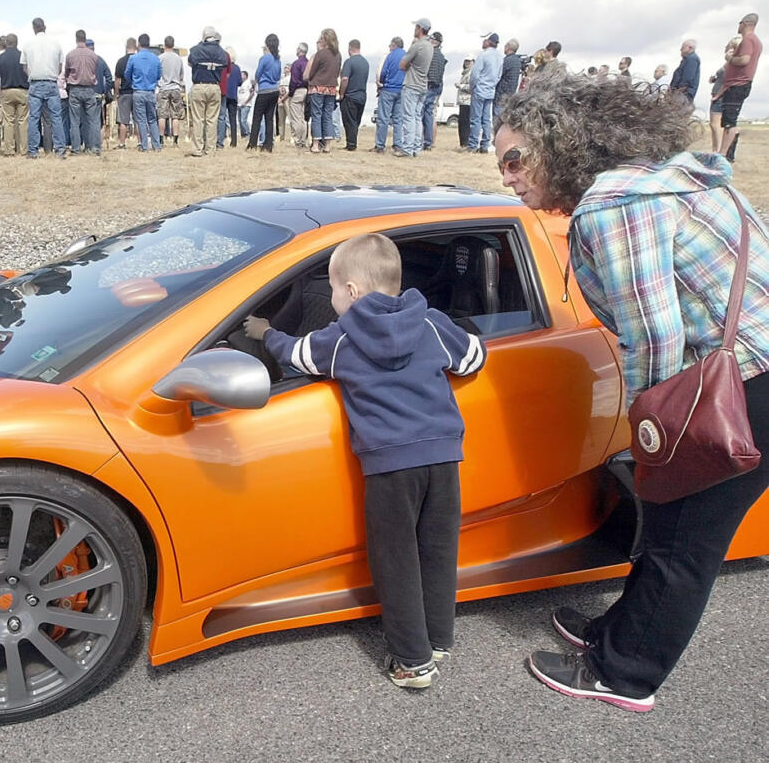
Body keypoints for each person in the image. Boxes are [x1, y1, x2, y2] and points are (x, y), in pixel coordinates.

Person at [496, 69, 769, 714]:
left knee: (682, 539)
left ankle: (626, 674)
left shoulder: (618, 203)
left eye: (513, 159)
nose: (505, 177)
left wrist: (653, 435)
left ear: (560, 141)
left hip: (743, 387)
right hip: (753, 370)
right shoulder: (678, 175)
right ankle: (617, 633)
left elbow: (653, 333)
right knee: (669, 522)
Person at [243, 232, 486, 689]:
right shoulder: (431, 322)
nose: (332, 298)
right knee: (436, 549)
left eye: (333, 289)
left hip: (390, 465)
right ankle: (436, 639)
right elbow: (473, 358)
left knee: (395, 557)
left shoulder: (341, 339)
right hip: (443, 457)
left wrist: (265, 332)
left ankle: (412, 662)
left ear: (351, 291)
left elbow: (296, 354)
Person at [714, 13, 760, 162]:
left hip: (738, 85)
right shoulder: (755, 41)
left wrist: (730, 59)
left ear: (745, 23)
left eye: (740, 23)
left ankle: (723, 153)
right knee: (728, 119)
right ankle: (724, 152)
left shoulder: (748, 40)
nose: (738, 26)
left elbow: (744, 60)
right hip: (737, 84)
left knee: (729, 122)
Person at [21, 17, 65, 159]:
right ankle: (59, 149)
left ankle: (33, 151)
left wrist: (32, 75)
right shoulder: (56, 44)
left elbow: (24, 67)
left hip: (35, 83)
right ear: (45, 27)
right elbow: (59, 66)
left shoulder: (28, 45)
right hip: (51, 82)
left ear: (34, 28)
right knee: (56, 117)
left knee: (34, 118)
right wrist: (53, 75)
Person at [186, 26, 228, 157]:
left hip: (199, 85)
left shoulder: (196, 50)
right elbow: (225, 65)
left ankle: (198, 149)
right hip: (215, 87)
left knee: (198, 119)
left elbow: (190, 62)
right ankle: (210, 149)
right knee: (212, 120)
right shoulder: (222, 52)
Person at [395, 19, 431, 157]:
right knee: (417, 117)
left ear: (419, 28)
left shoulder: (418, 45)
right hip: (422, 85)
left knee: (408, 117)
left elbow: (402, 64)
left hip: (412, 84)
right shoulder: (429, 46)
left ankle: (408, 148)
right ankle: (416, 147)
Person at [304, 29, 342, 154]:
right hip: (331, 88)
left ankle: (315, 144)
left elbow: (312, 72)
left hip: (317, 87)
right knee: (328, 116)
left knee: (317, 115)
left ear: (324, 39)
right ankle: (327, 145)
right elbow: (337, 72)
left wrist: (310, 79)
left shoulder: (321, 54)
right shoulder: (338, 55)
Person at [0, 33, 28, 157]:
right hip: (22, 91)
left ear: (6, 43)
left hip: (6, 90)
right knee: (23, 121)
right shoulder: (22, 56)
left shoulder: (0, 58)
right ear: (17, 42)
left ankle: (9, 150)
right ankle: (23, 149)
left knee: (8, 121)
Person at [64, 30, 100, 155]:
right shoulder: (93, 56)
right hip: (90, 89)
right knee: (93, 120)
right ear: (85, 39)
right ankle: (95, 147)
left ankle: (76, 148)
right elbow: (94, 71)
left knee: (74, 120)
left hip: (75, 89)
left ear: (76, 39)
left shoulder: (70, 55)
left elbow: (66, 73)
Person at [125, 33, 162, 152]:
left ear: (139, 44)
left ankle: (144, 145)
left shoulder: (133, 58)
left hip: (138, 91)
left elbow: (127, 74)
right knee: (152, 119)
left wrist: (135, 80)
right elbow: (158, 75)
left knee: (141, 120)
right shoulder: (156, 58)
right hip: (151, 91)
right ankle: (156, 145)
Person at [468, 32, 501, 153]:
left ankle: (473, 145)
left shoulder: (484, 55)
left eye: (485, 40)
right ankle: (485, 144)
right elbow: (498, 76)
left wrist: (473, 87)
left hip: (480, 89)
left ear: (489, 41)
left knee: (476, 119)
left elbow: (475, 74)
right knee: (486, 119)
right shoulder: (499, 57)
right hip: (490, 91)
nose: (483, 42)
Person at [247, 35, 281, 153]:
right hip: (274, 91)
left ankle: (252, 144)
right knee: (269, 118)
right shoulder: (278, 60)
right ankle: (268, 145)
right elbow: (277, 76)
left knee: (257, 117)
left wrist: (254, 84)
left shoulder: (264, 58)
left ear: (267, 44)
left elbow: (258, 73)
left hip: (264, 90)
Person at [372, 37, 404, 153]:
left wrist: (381, 83)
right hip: (401, 90)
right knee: (398, 119)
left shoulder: (389, 56)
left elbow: (383, 71)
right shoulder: (406, 55)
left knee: (383, 118)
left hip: (388, 89)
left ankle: (380, 145)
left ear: (394, 45)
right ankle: (398, 144)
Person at [707, 38, 739, 152]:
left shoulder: (732, 61)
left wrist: (718, 95)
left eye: (728, 46)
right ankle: (717, 151)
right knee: (715, 126)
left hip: (720, 96)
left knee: (716, 126)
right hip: (718, 93)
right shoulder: (727, 63)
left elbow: (729, 80)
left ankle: (718, 152)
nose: (725, 48)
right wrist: (714, 79)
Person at [338, 40, 368, 151]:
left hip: (350, 95)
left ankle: (351, 144)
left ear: (350, 48)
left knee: (349, 120)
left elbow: (345, 79)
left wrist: (341, 94)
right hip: (362, 95)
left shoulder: (349, 62)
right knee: (356, 121)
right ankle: (353, 142)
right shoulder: (366, 63)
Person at [157, 35, 185, 146]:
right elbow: (181, 75)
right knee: (175, 116)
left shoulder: (160, 58)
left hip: (163, 88)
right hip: (176, 88)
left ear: (164, 45)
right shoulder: (178, 59)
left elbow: (157, 74)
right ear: (173, 45)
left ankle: (161, 139)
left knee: (162, 115)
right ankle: (175, 140)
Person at [421, 32, 447, 151]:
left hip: (428, 85)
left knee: (421, 113)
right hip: (437, 86)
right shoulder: (441, 56)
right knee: (430, 114)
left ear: (434, 41)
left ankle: (422, 140)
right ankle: (428, 141)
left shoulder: (429, 53)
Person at [113, 38, 137, 148]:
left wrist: (116, 94)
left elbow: (117, 80)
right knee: (138, 120)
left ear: (126, 46)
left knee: (123, 120)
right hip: (137, 92)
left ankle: (122, 143)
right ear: (136, 47)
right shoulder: (138, 60)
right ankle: (140, 142)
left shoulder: (121, 61)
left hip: (125, 93)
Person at [217, 49, 242, 148]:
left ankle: (221, 139)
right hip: (233, 95)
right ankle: (234, 141)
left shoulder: (223, 67)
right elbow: (240, 82)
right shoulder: (237, 68)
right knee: (233, 119)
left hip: (223, 94)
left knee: (221, 117)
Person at [287, 42, 309, 148]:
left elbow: (294, 80)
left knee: (296, 117)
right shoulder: (309, 63)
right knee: (304, 117)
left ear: (300, 50)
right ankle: (304, 140)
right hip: (308, 90)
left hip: (298, 90)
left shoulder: (296, 63)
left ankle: (297, 140)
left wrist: (291, 93)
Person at [494, 38, 521, 119]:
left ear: (508, 47)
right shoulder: (517, 61)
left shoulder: (507, 60)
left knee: (498, 119)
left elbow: (498, 75)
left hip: (501, 95)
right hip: (511, 94)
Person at [669, 39, 700, 107]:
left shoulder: (692, 58)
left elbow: (688, 77)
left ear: (690, 48)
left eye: (683, 47)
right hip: (680, 93)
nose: (680, 49)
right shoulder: (688, 59)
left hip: (683, 94)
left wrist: (678, 90)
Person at [456, 55, 473, 147]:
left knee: (465, 122)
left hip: (468, 101)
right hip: (463, 101)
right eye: (466, 61)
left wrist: (461, 86)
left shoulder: (471, 73)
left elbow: (472, 87)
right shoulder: (464, 73)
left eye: (469, 61)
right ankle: (463, 143)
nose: (467, 63)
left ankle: (465, 143)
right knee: (462, 122)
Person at [237, 70, 253, 139]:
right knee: (240, 121)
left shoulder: (248, 83)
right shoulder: (239, 84)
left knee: (243, 120)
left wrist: (246, 102)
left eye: (242, 75)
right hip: (239, 104)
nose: (240, 76)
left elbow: (252, 93)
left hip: (246, 105)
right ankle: (243, 135)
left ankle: (248, 134)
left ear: (245, 76)